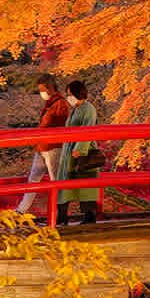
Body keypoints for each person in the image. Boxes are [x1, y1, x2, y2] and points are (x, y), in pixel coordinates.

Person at [17, 74, 70, 213]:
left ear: (49, 88)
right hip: (43, 145)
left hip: (53, 147)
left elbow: (61, 124)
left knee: (55, 181)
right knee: (33, 178)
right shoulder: (51, 103)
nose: (41, 93)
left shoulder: (60, 103)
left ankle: (60, 213)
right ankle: (21, 210)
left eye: (42, 90)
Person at [56, 80, 100, 224]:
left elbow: (88, 129)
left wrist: (79, 149)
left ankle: (89, 216)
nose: (68, 97)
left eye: (70, 94)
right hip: (70, 150)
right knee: (64, 184)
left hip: (82, 151)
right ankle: (62, 216)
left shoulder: (88, 109)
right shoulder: (76, 108)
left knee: (85, 184)